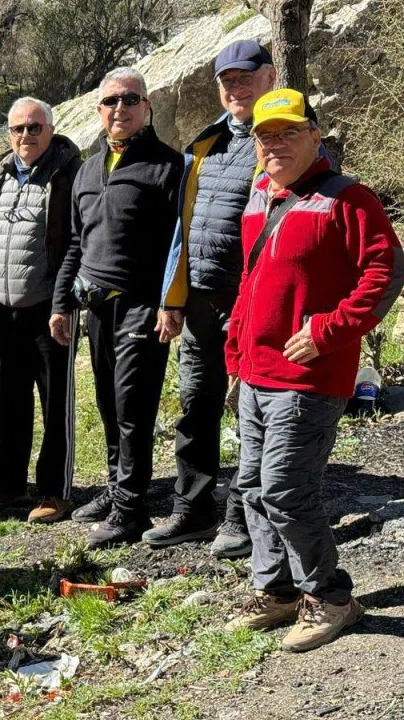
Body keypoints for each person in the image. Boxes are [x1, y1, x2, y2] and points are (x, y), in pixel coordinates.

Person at [223, 88, 403, 652]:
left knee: (285, 490)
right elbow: (252, 281)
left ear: (314, 137)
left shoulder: (348, 198)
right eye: (265, 135)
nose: (275, 144)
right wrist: (235, 349)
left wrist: (329, 330)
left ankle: (330, 597)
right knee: (252, 489)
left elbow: (386, 273)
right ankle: (276, 591)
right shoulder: (261, 194)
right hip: (255, 373)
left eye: (289, 132)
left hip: (308, 379)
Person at [143, 40, 276, 556]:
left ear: (269, 77)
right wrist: (171, 298)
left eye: (245, 78)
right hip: (200, 301)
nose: (235, 88)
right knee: (195, 407)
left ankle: (241, 518)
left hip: (253, 304)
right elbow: (185, 228)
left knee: (251, 414)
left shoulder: (284, 138)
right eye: (227, 81)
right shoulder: (206, 143)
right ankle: (193, 510)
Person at [50, 67, 185, 548]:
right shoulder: (88, 169)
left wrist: (171, 303)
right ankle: (116, 487)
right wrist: (61, 302)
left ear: (147, 106)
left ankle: (131, 509)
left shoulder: (168, 166)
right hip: (95, 307)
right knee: (108, 403)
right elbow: (76, 243)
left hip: (142, 307)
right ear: (99, 110)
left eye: (130, 99)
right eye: (111, 101)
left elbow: (179, 245)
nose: (120, 108)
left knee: (133, 407)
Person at [0, 97, 83, 523]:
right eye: (18, 128)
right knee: (10, 399)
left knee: (56, 403)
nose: (26, 136)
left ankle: (55, 490)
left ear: (50, 129)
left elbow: (76, 242)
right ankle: (7, 483)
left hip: (50, 310)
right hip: (5, 308)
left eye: (35, 127)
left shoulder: (68, 173)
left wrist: (64, 302)